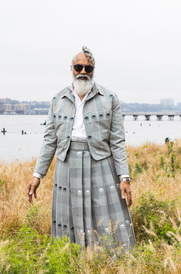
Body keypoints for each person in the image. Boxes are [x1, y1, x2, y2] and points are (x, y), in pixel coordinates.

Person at [27, 46, 136, 252]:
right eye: (79, 67)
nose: (83, 72)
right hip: (67, 164)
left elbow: (118, 141)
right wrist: (37, 175)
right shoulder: (57, 100)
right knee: (69, 215)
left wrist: (124, 177)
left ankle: (108, 259)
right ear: (72, 68)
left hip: (101, 162)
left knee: (103, 215)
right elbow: (50, 140)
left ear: (94, 70)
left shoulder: (110, 98)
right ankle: (71, 257)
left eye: (88, 68)